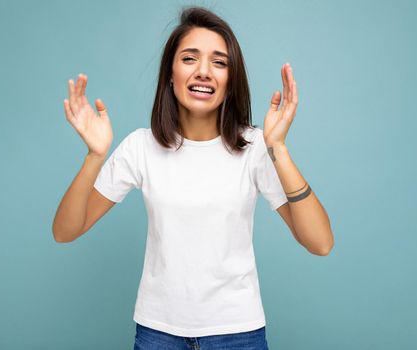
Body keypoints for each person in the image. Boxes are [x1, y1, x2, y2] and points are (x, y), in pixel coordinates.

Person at [53, 6, 334, 349]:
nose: (204, 72)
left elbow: (320, 243)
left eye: (219, 62)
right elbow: (65, 231)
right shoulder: (141, 147)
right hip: (158, 334)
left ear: (231, 81)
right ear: (170, 74)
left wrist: (278, 148)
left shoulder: (255, 147)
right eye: (189, 58)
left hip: (238, 334)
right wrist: (94, 157)